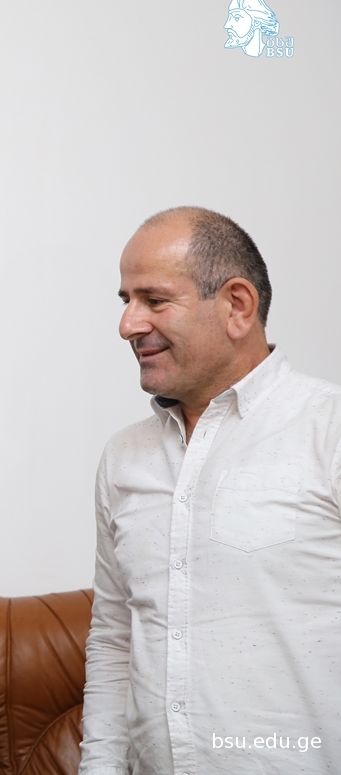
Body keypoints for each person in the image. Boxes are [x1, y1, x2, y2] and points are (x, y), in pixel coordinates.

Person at [80, 207, 341, 774]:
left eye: (154, 300)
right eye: (126, 300)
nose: (128, 324)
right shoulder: (123, 457)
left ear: (237, 306)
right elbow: (114, 639)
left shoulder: (328, 429)